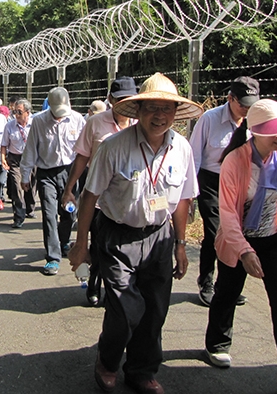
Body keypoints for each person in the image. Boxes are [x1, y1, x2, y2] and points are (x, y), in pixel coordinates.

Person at [67, 72, 201, 394]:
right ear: (138, 111)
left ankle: (141, 370)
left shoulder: (181, 148)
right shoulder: (114, 147)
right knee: (125, 308)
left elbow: (183, 198)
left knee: (155, 309)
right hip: (117, 236)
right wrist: (81, 243)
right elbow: (90, 195)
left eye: (166, 109)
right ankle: (108, 361)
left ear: (175, 113)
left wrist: (181, 245)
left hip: (160, 237)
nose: (160, 116)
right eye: (152, 108)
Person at [203, 99, 277, 394]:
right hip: (238, 240)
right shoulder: (234, 161)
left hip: (273, 240)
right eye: (274, 130)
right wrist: (244, 251)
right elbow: (228, 214)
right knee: (227, 292)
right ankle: (216, 343)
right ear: (256, 131)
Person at [61, 76, 138, 306]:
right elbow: (82, 156)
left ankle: (120, 288)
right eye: (120, 99)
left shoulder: (141, 123)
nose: (125, 104)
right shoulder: (96, 123)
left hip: (128, 197)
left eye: (129, 99)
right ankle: (94, 284)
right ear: (110, 100)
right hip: (97, 197)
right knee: (98, 243)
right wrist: (69, 189)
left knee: (120, 246)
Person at [189, 76, 260, 307]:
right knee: (215, 232)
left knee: (237, 234)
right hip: (211, 182)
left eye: (251, 105)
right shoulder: (209, 119)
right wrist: (191, 192)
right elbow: (195, 154)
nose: (247, 110)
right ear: (230, 98)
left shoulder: (255, 122)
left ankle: (227, 286)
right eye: (243, 105)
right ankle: (206, 281)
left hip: (239, 183)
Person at [21, 86, 86, 275]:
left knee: (69, 213)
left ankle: (64, 241)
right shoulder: (39, 121)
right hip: (46, 174)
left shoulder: (77, 119)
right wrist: (26, 176)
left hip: (71, 173)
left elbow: (84, 149)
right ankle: (52, 258)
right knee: (49, 215)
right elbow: (31, 150)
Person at [1, 98, 37, 228]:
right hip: (15, 159)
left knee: (31, 185)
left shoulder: (35, 124)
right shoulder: (9, 126)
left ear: (27, 112)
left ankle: (30, 207)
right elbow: (4, 144)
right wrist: (3, 158)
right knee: (17, 187)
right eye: (14, 111)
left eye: (19, 112)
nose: (16, 114)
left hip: (32, 158)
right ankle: (18, 216)